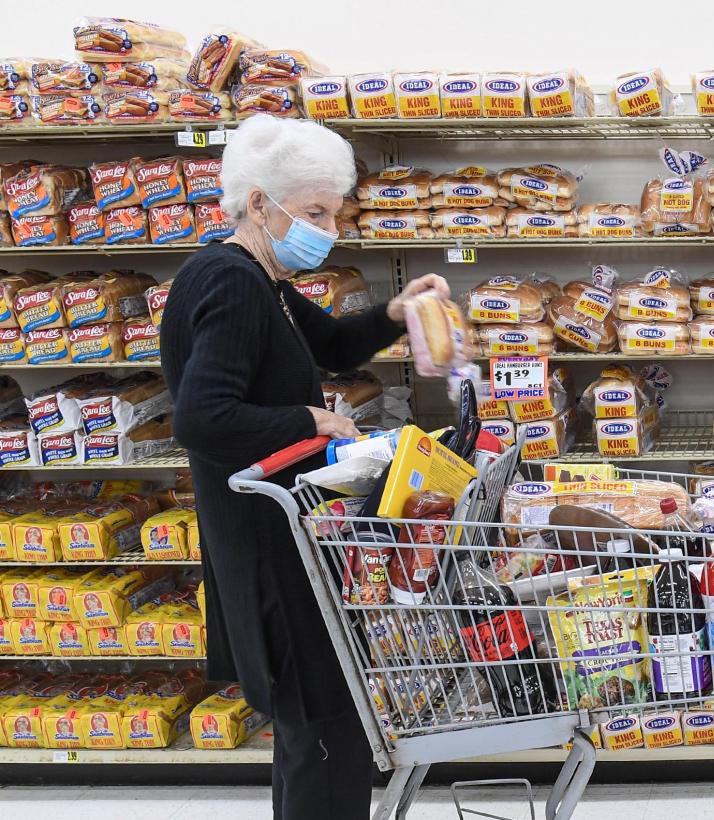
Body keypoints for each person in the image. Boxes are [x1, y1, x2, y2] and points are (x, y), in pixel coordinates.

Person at [162, 114, 449, 820]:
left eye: (333, 212)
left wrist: (395, 311)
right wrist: (308, 421)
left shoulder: (267, 281)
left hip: (282, 540)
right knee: (327, 730)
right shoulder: (230, 285)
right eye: (314, 211)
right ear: (259, 202)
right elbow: (200, 418)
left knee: (311, 730)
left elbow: (334, 345)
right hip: (267, 551)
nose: (328, 228)